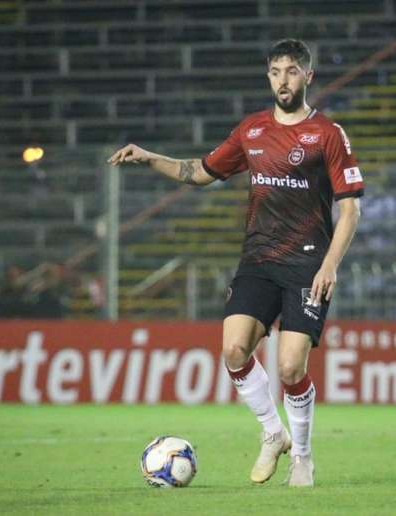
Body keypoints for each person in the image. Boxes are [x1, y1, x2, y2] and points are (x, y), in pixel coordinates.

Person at [109, 39, 363, 487]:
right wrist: (150, 157)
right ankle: (273, 433)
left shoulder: (327, 134)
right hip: (259, 258)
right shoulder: (252, 130)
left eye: (291, 71)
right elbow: (201, 172)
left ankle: (302, 456)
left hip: (307, 263)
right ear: (268, 76)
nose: (282, 80)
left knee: (290, 369)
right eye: (275, 71)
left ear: (308, 76)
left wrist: (330, 265)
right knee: (233, 349)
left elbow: (351, 208)